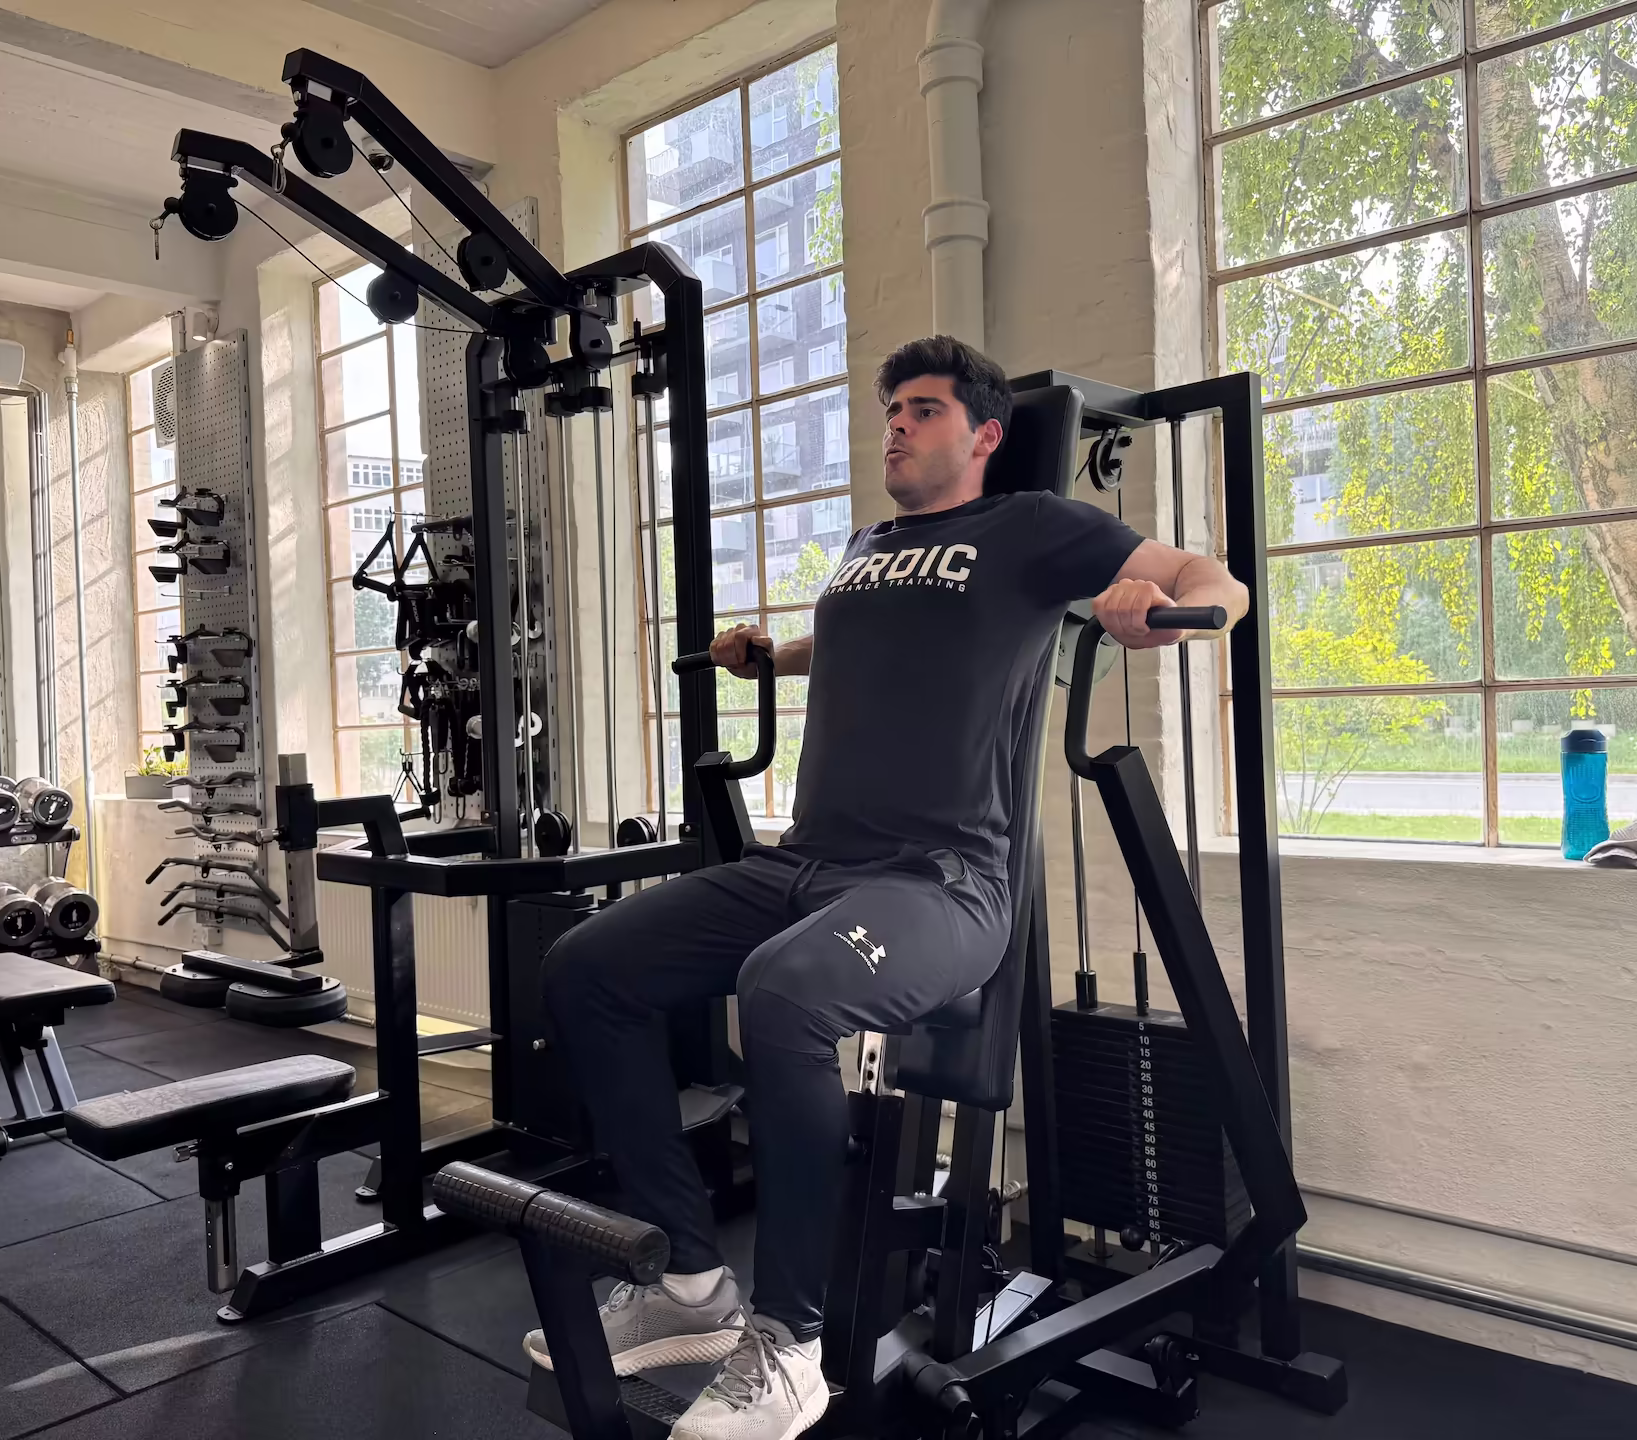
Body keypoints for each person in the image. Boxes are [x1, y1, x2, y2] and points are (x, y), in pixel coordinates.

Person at [529, 336, 1247, 1440]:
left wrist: (1159, 601)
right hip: (802, 862)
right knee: (588, 968)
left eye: (920, 409)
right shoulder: (872, 546)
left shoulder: (1030, 529)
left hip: (941, 880)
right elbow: (868, 646)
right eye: (888, 410)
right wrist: (767, 659)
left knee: (786, 994)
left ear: (985, 435)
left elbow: (1217, 581)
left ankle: (791, 1343)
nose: (894, 426)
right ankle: (688, 1288)